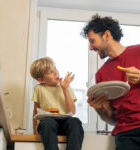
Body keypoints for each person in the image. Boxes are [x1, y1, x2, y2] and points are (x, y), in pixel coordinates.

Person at [81, 14, 140, 150]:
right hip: (125, 134)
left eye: (92, 41)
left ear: (107, 35)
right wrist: (100, 108)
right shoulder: (100, 74)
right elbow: (112, 119)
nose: (90, 47)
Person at [30, 57, 84, 150]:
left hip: (65, 124)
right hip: (48, 125)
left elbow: (72, 111)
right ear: (41, 80)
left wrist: (65, 88)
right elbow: (35, 112)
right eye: (51, 72)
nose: (56, 72)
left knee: (75, 121)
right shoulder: (39, 88)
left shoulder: (65, 86)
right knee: (47, 121)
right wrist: (35, 132)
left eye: (55, 68)